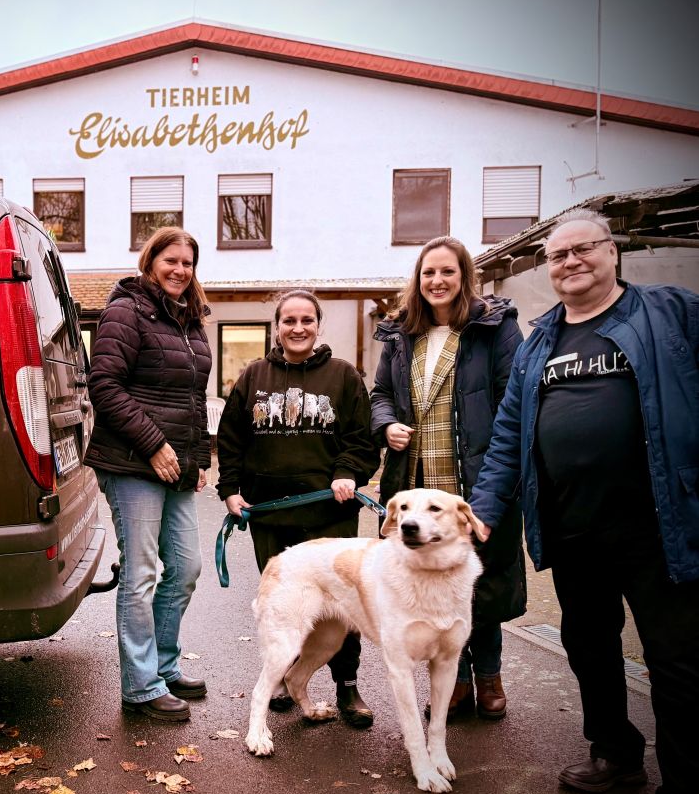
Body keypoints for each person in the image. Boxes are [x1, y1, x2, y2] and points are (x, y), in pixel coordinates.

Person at [469, 209, 699, 794]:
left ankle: (684, 783)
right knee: (590, 648)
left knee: (675, 657)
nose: (570, 261)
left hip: (658, 526)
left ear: (612, 251)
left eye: (583, 248)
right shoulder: (539, 342)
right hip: (573, 528)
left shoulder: (670, 312)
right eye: (558, 255)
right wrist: (483, 508)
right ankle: (615, 754)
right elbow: (508, 435)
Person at [370, 235, 526, 721]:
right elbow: (380, 394)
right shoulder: (401, 334)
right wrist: (386, 424)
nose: (437, 281)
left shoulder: (495, 328)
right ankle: (454, 682)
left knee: (483, 582)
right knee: (432, 589)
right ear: (417, 280)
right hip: (418, 484)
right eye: (428, 272)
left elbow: (515, 401)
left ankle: (490, 677)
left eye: (447, 272)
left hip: (478, 480)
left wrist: (498, 482)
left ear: (465, 277)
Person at [216, 290, 381, 727]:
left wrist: (348, 473)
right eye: (289, 320)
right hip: (270, 515)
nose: (298, 327)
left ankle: (347, 687)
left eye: (307, 319)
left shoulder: (344, 376)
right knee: (286, 611)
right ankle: (288, 679)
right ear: (277, 327)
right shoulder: (253, 376)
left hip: (330, 515)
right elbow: (231, 440)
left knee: (343, 610)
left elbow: (361, 440)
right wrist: (229, 489)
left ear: (318, 325)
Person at [85, 226, 212, 723]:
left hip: (175, 466)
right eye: (170, 260)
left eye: (188, 262)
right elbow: (104, 385)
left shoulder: (189, 319)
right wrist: (155, 445)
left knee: (186, 567)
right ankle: (140, 686)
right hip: (131, 463)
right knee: (140, 575)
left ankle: (163, 665)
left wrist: (197, 458)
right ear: (150, 261)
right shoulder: (126, 310)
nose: (180, 269)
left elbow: (192, 399)